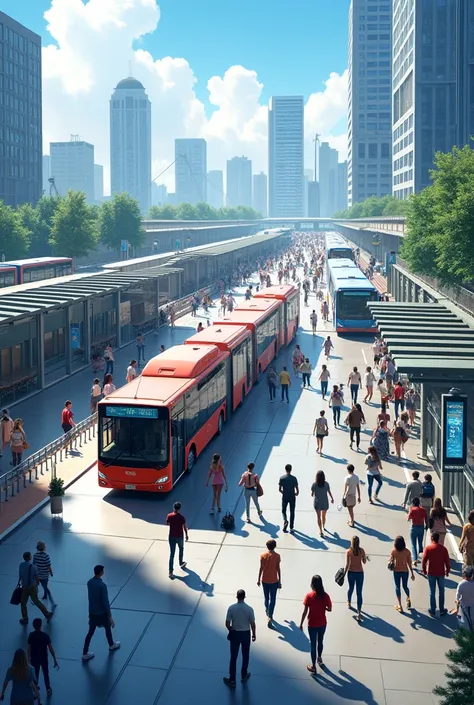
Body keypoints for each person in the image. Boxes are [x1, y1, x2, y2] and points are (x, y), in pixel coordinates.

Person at [82, 565, 120, 661]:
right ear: (101, 572)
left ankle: (85, 652)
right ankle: (111, 644)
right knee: (107, 629)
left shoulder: (89, 582)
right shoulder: (102, 586)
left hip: (92, 612)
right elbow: (105, 601)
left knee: (90, 633)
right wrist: (110, 615)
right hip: (101, 613)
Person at [299, 575, 332, 675]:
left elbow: (305, 612)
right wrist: (324, 608)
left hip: (312, 624)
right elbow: (330, 609)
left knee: (313, 645)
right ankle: (320, 658)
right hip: (322, 623)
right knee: (320, 641)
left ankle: (313, 667)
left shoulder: (309, 596)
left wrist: (300, 624)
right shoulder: (325, 596)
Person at [223, 589, 256, 688]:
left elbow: (227, 624)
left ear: (236, 596)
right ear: (244, 597)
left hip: (235, 634)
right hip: (246, 634)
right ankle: (244, 674)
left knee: (233, 657)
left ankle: (232, 679)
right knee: (245, 655)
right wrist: (254, 634)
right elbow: (252, 624)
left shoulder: (231, 608)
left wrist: (231, 630)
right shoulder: (249, 609)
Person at [18, 551, 52, 626]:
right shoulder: (33, 567)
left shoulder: (21, 565)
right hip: (32, 586)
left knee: (23, 603)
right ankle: (47, 614)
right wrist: (36, 585)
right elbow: (37, 578)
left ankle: (25, 618)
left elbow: (20, 576)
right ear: (30, 557)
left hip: (24, 586)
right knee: (36, 601)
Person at [27, 618, 58, 697]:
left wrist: (28, 659)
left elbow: (29, 648)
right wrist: (54, 658)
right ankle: (48, 689)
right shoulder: (45, 636)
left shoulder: (31, 635)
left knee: (35, 674)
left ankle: (35, 690)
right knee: (46, 673)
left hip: (34, 659)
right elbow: (50, 648)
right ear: (41, 625)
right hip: (44, 658)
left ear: (33, 626)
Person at [422, 532, 450, 617]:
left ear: (431, 538)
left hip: (431, 572)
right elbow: (447, 562)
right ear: (439, 539)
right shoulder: (443, 549)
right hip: (441, 572)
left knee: (432, 591)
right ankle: (442, 609)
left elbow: (424, 560)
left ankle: (433, 610)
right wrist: (447, 570)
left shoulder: (428, 548)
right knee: (441, 591)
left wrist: (424, 570)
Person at [257, 539, 281, 626]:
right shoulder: (277, 556)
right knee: (273, 599)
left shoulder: (263, 556)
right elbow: (278, 569)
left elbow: (261, 568)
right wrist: (279, 580)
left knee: (266, 597)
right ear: (275, 546)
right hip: (274, 580)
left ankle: (267, 609)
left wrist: (258, 579)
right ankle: (270, 616)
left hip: (265, 580)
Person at [390, 536, 415, 613]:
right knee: (405, 586)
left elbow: (391, 561)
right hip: (405, 571)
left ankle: (400, 605)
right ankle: (408, 599)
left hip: (396, 571)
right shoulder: (407, 552)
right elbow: (409, 563)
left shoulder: (394, 551)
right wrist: (412, 573)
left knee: (397, 587)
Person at [345, 536, 366, 621]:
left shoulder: (348, 552)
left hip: (351, 573)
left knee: (350, 588)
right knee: (359, 593)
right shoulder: (362, 551)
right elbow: (364, 562)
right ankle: (359, 612)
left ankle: (349, 602)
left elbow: (347, 564)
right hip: (360, 573)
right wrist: (364, 557)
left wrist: (344, 573)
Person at [166, 502, 189, 577]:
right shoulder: (181, 517)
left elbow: (167, 523)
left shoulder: (169, 516)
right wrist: (186, 535)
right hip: (179, 536)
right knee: (181, 549)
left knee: (172, 554)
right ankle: (181, 562)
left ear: (173, 508)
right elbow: (184, 527)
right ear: (179, 509)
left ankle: (170, 572)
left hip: (171, 536)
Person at [311, 470, 334, 537]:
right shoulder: (326, 484)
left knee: (318, 517)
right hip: (325, 502)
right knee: (323, 515)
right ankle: (323, 525)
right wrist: (332, 498)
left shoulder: (314, 484)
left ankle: (320, 531)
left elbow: (312, 494)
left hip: (317, 503)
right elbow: (329, 491)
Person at [33, 541, 55, 607]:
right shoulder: (46, 556)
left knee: (36, 586)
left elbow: (34, 565)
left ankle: (36, 598)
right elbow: (48, 566)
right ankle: (52, 602)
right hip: (45, 575)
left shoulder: (35, 555)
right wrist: (51, 573)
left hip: (38, 575)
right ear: (43, 548)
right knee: (45, 587)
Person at [452, 566, 474, 630]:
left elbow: (457, 599)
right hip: (472, 605)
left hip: (464, 606)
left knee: (463, 621)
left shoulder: (461, 584)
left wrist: (456, 609)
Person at [407, 498, 427, 566]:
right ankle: (420, 552)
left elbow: (408, 518)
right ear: (419, 503)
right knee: (420, 542)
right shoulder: (423, 510)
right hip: (421, 527)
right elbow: (426, 518)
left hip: (414, 528)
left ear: (413, 503)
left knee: (413, 544)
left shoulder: (412, 509)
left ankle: (415, 559)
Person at [279, 464, 299, 532]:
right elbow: (297, 490)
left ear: (285, 469)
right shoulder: (294, 478)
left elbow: (279, 489)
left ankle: (285, 520)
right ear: (291, 469)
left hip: (285, 497)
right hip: (292, 497)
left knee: (283, 510)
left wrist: (283, 492)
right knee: (292, 512)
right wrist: (296, 493)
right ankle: (291, 527)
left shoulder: (282, 478)